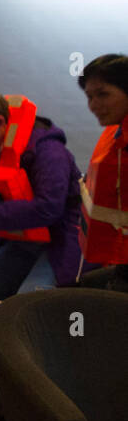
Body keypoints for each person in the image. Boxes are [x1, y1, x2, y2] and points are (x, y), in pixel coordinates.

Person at [0, 88, 82, 299]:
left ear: (1, 121)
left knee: (28, 303)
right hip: (22, 238)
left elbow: (49, 208)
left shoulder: (49, 151)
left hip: (59, 239)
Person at [75, 54, 128, 290]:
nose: (94, 105)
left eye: (103, 94)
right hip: (122, 260)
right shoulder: (117, 137)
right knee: (85, 288)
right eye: (89, 97)